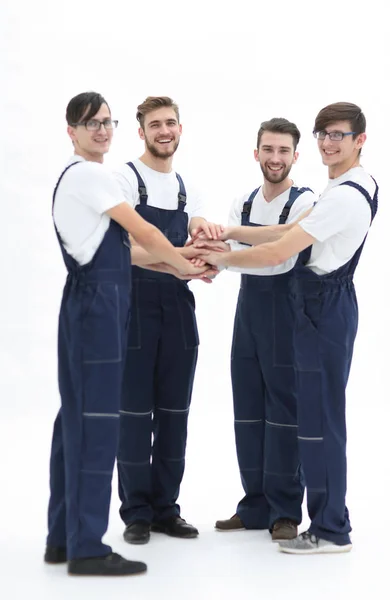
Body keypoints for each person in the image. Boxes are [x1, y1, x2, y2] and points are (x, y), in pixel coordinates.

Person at [199, 102, 378, 554]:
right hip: (318, 306)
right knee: (313, 420)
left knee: (317, 423)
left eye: (338, 134)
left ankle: (330, 528)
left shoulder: (340, 196)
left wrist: (217, 259)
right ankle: (315, 519)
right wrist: (225, 234)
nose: (327, 142)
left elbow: (278, 253)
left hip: (320, 307)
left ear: (359, 140)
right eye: (323, 133)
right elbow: (278, 236)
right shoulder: (350, 185)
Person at [45, 91, 207, 576]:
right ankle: (89, 548)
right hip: (99, 305)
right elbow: (148, 235)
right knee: (97, 425)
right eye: (89, 123)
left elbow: (134, 249)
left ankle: (63, 538)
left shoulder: (77, 177)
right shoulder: (94, 175)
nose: (101, 130)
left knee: (72, 423)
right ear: (70, 131)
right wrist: (188, 268)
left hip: (92, 301)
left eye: (105, 121)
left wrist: (178, 268)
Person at [195, 118, 315, 540]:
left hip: (286, 312)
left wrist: (228, 253)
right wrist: (207, 246)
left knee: (284, 412)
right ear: (256, 153)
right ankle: (255, 506)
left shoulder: (306, 202)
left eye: (284, 151)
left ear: (296, 156)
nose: (276, 158)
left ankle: (285, 510)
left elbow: (279, 258)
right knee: (247, 408)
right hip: (247, 312)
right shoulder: (242, 201)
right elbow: (226, 249)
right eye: (269, 149)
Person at [113, 96, 220, 545]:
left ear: (180, 129)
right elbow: (121, 250)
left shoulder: (185, 187)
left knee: (175, 415)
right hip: (134, 309)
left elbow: (199, 229)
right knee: (135, 415)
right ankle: (136, 511)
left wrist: (208, 246)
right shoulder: (124, 179)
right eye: (154, 124)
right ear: (141, 132)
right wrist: (181, 261)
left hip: (178, 310)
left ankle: (166, 509)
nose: (164, 131)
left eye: (170, 123)